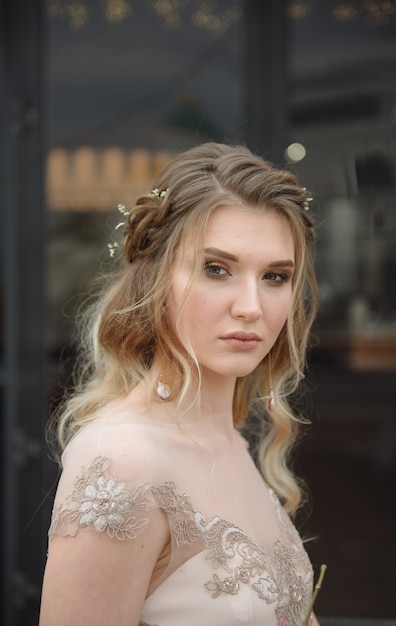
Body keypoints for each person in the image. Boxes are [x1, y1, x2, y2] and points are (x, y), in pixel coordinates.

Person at [39, 141, 321, 626]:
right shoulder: (123, 460)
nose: (251, 306)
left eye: (275, 276)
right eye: (217, 269)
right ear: (155, 277)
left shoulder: (228, 440)